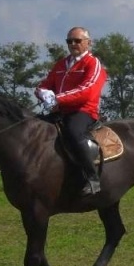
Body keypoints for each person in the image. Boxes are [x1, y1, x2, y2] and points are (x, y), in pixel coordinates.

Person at [34, 26, 108, 196]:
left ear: (88, 43)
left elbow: (87, 90)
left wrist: (57, 98)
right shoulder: (61, 64)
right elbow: (44, 84)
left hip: (83, 111)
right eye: (69, 41)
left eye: (77, 40)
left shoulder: (92, 63)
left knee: (74, 132)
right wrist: (42, 93)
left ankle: (92, 178)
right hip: (60, 111)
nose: (73, 44)